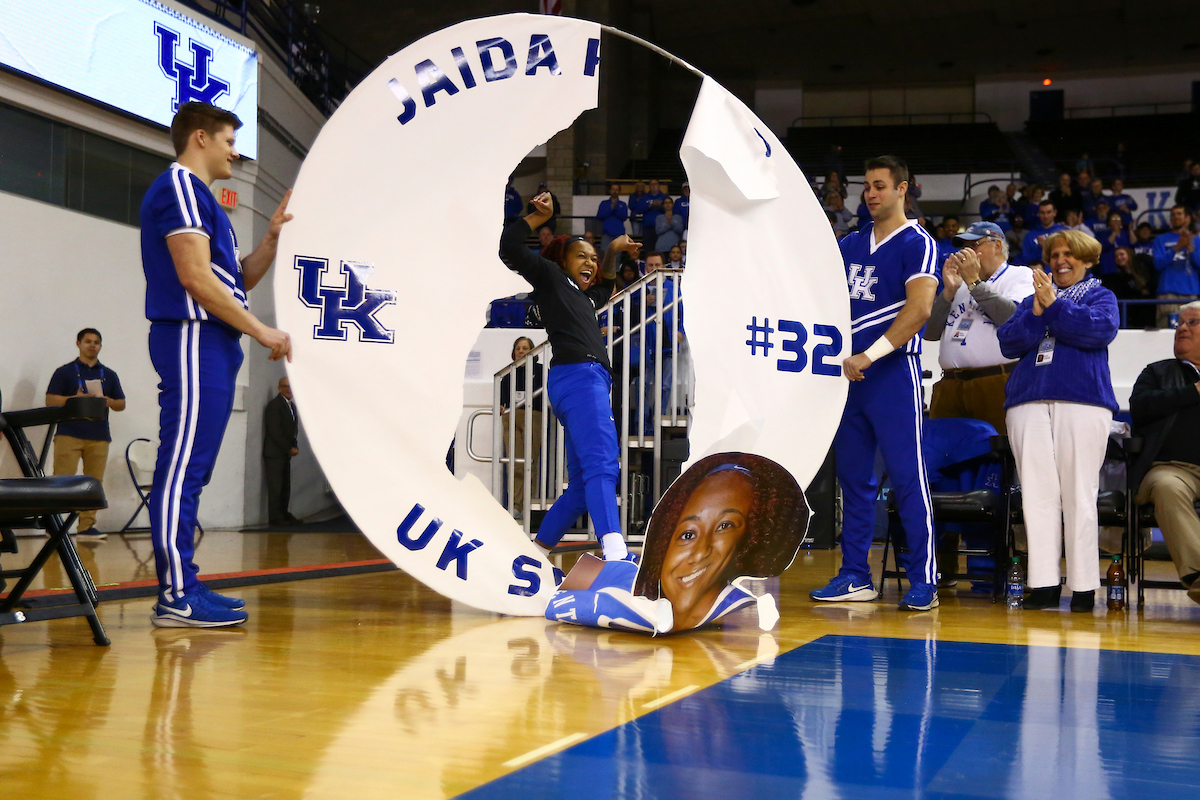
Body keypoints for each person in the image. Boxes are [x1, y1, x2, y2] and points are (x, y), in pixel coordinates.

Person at [141, 101, 293, 628]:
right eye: (229, 140)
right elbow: (196, 281)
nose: (236, 151)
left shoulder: (205, 202)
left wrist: (271, 239)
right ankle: (175, 595)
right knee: (182, 469)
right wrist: (263, 331)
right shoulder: (179, 187)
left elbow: (236, 280)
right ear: (200, 138)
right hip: (192, 337)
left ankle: (185, 585)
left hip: (212, 340)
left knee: (193, 471)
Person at [812, 155, 941, 611]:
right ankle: (854, 575)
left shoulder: (917, 242)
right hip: (850, 379)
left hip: (892, 375)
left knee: (909, 476)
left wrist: (871, 354)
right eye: (866, 186)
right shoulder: (849, 244)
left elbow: (921, 309)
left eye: (880, 185)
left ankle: (925, 578)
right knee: (853, 480)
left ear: (903, 188)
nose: (870, 193)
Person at [500, 192, 640, 561]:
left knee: (581, 486)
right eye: (583, 255)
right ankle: (616, 554)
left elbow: (604, 287)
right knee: (603, 465)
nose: (591, 263)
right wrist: (538, 217)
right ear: (562, 260)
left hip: (575, 380)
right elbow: (510, 244)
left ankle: (534, 555)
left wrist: (611, 251)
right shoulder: (550, 277)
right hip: (580, 376)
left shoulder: (581, 296)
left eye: (593, 259)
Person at [997, 230, 1118, 612]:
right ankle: (1044, 584)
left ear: (1087, 260)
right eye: (1055, 254)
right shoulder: (1032, 300)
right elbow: (1009, 342)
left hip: (1082, 400)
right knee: (1036, 495)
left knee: (1079, 495)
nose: (1061, 260)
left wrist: (1053, 308)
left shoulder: (1102, 296)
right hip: (1026, 402)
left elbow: (1097, 330)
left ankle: (1084, 587)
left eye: (1070, 254)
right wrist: (1038, 310)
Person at [632, 455, 806, 631]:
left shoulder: (745, 604)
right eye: (688, 535)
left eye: (724, 526)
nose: (700, 552)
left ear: (752, 540)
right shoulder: (624, 591)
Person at [925, 222, 1033, 435]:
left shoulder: (1019, 275)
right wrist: (948, 292)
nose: (967, 252)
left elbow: (1013, 318)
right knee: (946, 457)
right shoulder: (959, 285)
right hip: (950, 384)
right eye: (964, 246)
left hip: (996, 382)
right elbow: (930, 333)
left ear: (997, 246)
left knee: (997, 455)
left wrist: (974, 282)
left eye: (975, 245)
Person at [1129, 302, 1200, 606]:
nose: (1182, 328)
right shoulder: (1157, 372)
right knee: (1169, 488)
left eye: (1192, 323)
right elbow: (1140, 409)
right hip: (1169, 469)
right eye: (1179, 323)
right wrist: (1193, 391)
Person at [45, 328, 126, 539]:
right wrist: (74, 399)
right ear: (78, 343)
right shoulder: (64, 372)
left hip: (99, 434)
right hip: (69, 432)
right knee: (61, 481)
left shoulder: (109, 374)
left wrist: (106, 401)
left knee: (93, 483)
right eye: (88, 341)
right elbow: (50, 400)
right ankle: (53, 526)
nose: (92, 345)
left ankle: (86, 527)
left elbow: (121, 404)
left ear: (100, 346)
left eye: (96, 342)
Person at [500, 336, 545, 519]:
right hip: (512, 416)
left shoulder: (541, 371)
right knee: (515, 462)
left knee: (530, 461)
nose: (521, 351)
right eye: (518, 348)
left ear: (532, 352)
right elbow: (502, 397)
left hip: (533, 415)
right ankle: (516, 505)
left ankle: (529, 503)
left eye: (525, 348)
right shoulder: (508, 373)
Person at [1152, 205, 1200, 328]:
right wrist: (1177, 247)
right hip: (1168, 293)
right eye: (1173, 215)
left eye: (1179, 214)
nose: (1175, 217)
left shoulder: (1196, 240)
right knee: (1165, 333)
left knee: (1192, 335)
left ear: (1187, 218)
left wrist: (1190, 249)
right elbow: (1158, 265)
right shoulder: (1160, 239)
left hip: (1191, 292)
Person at [263, 377, 299, 526]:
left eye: (291, 386)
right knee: (276, 486)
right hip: (274, 453)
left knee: (285, 485)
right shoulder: (274, 406)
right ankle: (275, 517)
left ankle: (283, 513)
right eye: (285, 386)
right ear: (279, 388)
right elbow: (275, 431)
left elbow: (291, 430)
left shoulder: (292, 406)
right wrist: (288, 448)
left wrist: (294, 445)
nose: (288, 389)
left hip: (284, 453)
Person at [1103, 246, 1155, 328]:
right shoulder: (1121, 277)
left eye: (1122, 254)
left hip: (1150, 306)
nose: (1119, 258)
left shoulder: (1143, 266)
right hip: (1136, 311)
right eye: (1116, 256)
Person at [1020, 200, 1068, 266]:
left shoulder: (1065, 232)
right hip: (1038, 273)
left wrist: (1046, 246)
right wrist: (1040, 249)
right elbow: (1026, 260)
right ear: (1038, 214)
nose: (1045, 216)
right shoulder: (1030, 235)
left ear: (1055, 213)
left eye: (1049, 212)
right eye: (1042, 213)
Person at [595, 183, 628, 254]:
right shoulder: (604, 203)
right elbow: (600, 216)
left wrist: (615, 209)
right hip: (606, 234)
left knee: (617, 257)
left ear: (619, 191)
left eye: (616, 190)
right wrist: (611, 209)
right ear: (610, 191)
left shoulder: (623, 204)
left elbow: (624, 217)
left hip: (619, 235)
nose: (614, 191)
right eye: (613, 189)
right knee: (605, 256)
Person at [1098, 210, 1131, 275]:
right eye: (1113, 219)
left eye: (1118, 219)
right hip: (1109, 267)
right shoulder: (1102, 234)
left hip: (1125, 267)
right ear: (1109, 222)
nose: (1116, 221)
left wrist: (1131, 230)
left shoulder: (1126, 233)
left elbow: (1133, 244)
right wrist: (1115, 232)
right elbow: (1104, 246)